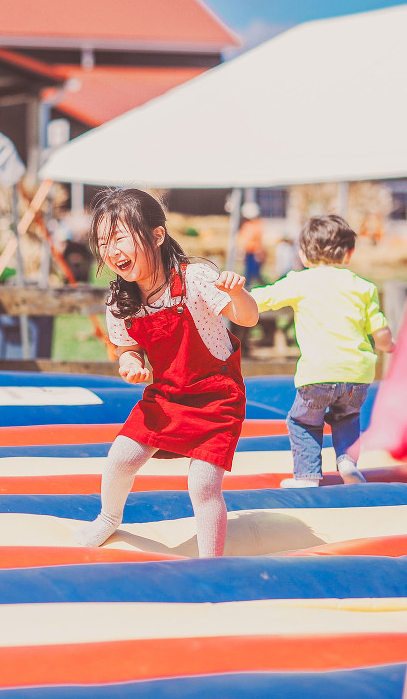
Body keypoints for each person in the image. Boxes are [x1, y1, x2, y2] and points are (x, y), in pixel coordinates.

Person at [75, 188, 259, 558]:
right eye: (103, 242)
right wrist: (130, 362)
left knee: (203, 485)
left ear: (157, 236)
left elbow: (248, 317)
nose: (111, 251)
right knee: (121, 458)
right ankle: (109, 516)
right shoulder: (121, 300)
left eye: (120, 238)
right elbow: (128, 345)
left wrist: (238, 294)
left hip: (217, 396)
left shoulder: (195, 280)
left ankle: (211, 563)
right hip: (168, 394)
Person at [249, 215, 395, 488]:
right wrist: (389, 346)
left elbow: (263, 298)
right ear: (349, 254)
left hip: (318, 372)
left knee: (304, 422)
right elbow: (380, 331)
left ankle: (306, 476)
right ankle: (347, 462)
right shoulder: (363, 287)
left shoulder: (301, 281)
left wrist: (230, 297)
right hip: (358, 373)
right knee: (348, 417)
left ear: (304, 255)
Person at [237, 201, 266, 287]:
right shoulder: (249, 225)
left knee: (253, 274)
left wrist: (258, 252)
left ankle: (249, 288)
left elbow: (256, 241)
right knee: (250, 274)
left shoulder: (255, 225)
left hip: (253, 253)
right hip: (249, 252)